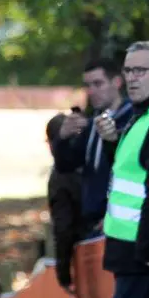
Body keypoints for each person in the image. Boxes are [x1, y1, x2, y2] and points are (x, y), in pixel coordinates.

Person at [93, 41, 149, 298]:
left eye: (141, 70)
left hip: (140, 250)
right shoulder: (137, 116)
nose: (131, 78)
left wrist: (148, 248)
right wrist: (111, 141)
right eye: (128, 71)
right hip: (129, 247)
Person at [52, 58, 133, 238]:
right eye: (87, 85)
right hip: (91, 221)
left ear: (117, 82)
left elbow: (135, 174)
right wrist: (63, 137)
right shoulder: (92, 123)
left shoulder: (131, 119)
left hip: (119, 221)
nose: (91, 91)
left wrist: (116, 213)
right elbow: (66, 165)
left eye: (98, 84)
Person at [45, 113, 84, 294]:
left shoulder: (60, 179)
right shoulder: (90, 162)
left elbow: (63, 229)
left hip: (85, 250)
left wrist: (63, 274)